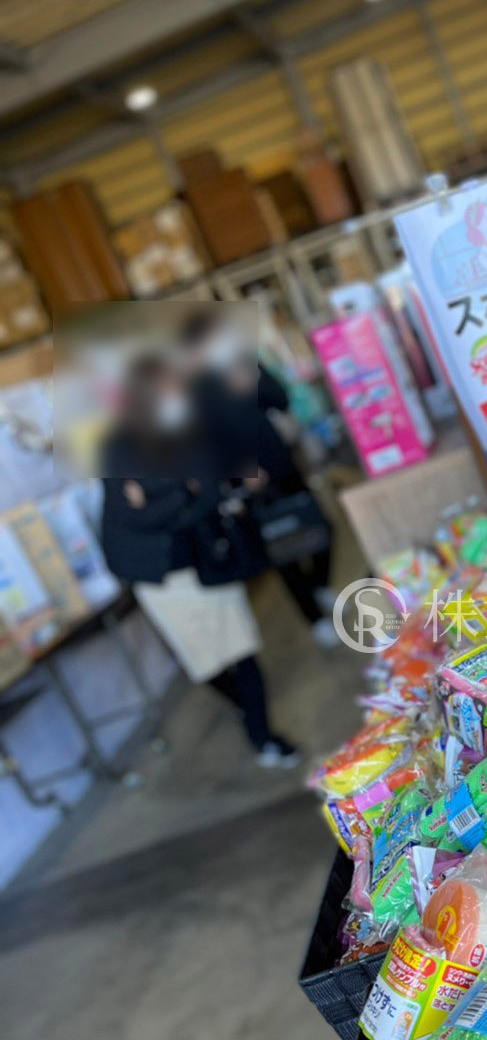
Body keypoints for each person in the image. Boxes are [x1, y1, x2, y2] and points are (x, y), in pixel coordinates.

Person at [99, 353, 300, 768]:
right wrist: (182, 493)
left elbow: (205, 497)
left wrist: (161, 498)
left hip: (207, 559)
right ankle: (246, 710)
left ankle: (263, 737)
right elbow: (127, 516)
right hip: (156, 574)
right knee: (204, 664)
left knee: (242, 650)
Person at [178, 311, 338, 647]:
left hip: (282, 463)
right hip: (249, 481)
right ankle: (313, 618)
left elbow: (280, 398)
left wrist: (254, 382)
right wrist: (238, 472)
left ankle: (320, 585)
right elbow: (205, 442)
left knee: (320, 526)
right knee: (282, 552)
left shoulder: (243, 363)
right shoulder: (195, 389)